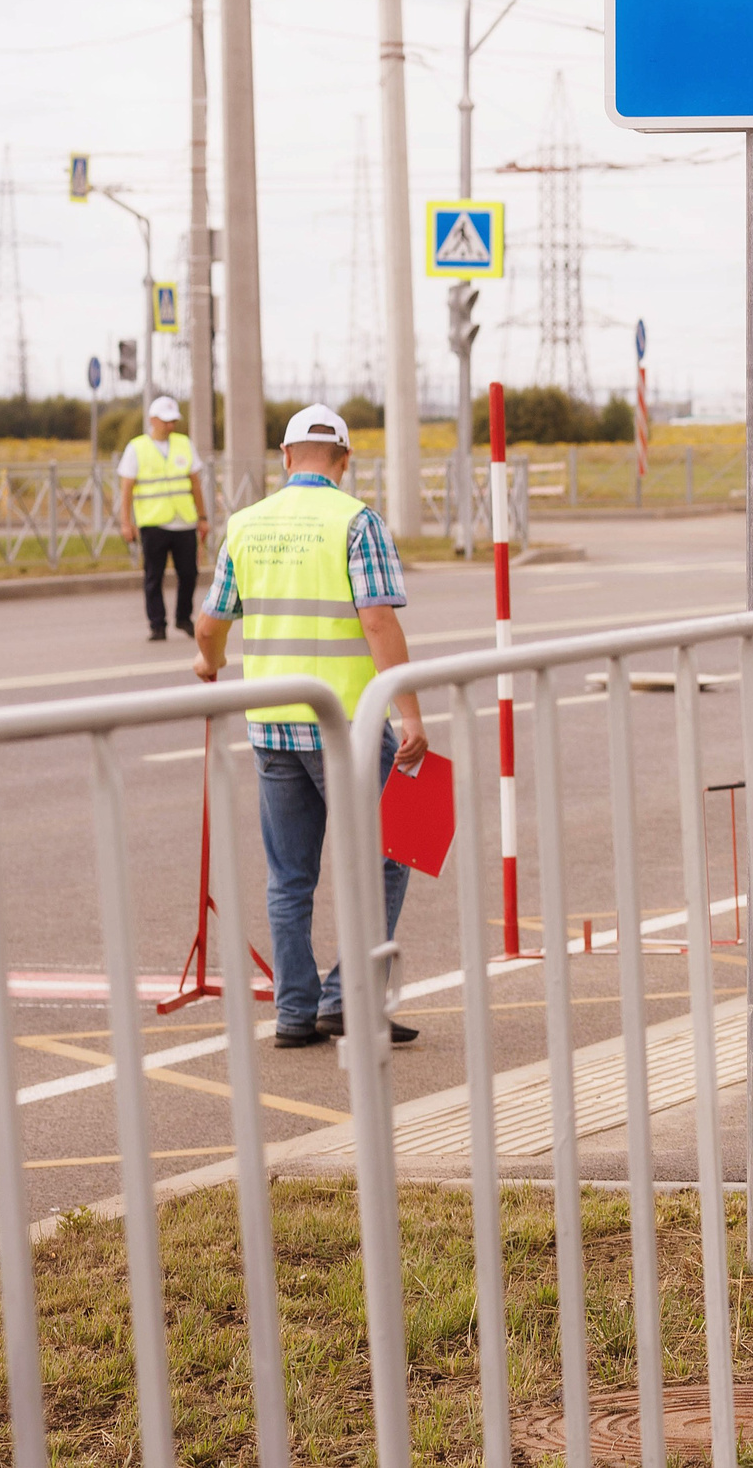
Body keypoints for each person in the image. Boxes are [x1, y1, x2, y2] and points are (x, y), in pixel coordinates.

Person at [193, 405, 427, 1050]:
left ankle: (296, 1013)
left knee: (290, 875)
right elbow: (378, 621)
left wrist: (207, 664)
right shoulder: (357, 521)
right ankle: (347, 997)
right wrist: (409, 711)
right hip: (345, 726)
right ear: (345, 461)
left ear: (286, 456)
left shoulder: (245, 525)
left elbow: (211, 626)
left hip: (272, 726)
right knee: (393, 850)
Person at [116, 395, 208, 641]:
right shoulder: (137, 448)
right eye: (166, 421)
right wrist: (126, 522)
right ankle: (157, 624)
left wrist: (202, 517)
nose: (170, 425)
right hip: (153, 523)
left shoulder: (184, 443)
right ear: (152, 420)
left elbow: (195, 484)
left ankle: (183, 618)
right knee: (153, 577)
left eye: (173, 421)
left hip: (184, 521)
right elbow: (126, 488)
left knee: (189, 574)